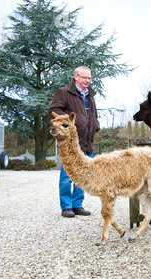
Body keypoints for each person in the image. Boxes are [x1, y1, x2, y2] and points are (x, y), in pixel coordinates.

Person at [48, 66, 100, 217]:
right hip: (70, 144)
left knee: (83, 175)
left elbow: (93, 115)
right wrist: (71, 120)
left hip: (87, 141)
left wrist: (95, 124)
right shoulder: (64, 92)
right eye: (84, 77)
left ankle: (78, 205)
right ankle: (66, 206)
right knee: (67, 176)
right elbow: (53, 110)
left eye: (89, 78)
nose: (87, 81)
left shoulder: (90, 96)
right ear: (76, 77)